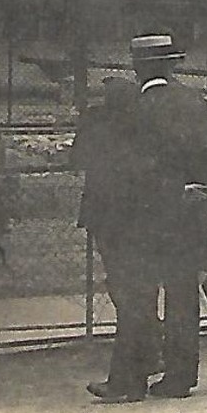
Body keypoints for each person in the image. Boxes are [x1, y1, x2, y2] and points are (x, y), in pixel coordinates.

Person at [87, 34, 207, 402]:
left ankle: (128, 381)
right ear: (172, 64)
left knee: (138, 297)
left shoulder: (134, 108)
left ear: (138, 66)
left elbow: (130, 170)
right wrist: (202, 203)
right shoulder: (193, 101)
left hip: (142, 219)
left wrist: (164, 195)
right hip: (185, 220)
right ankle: (180, 378)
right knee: (183, 295)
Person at [73, 77, 159, 386]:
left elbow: (77, 158)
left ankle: (128, 376)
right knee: (140, 291)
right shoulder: (144, 124)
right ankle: (146, 357)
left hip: (110, 219)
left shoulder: (98, 124)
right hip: (143, 216)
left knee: (126, 293)